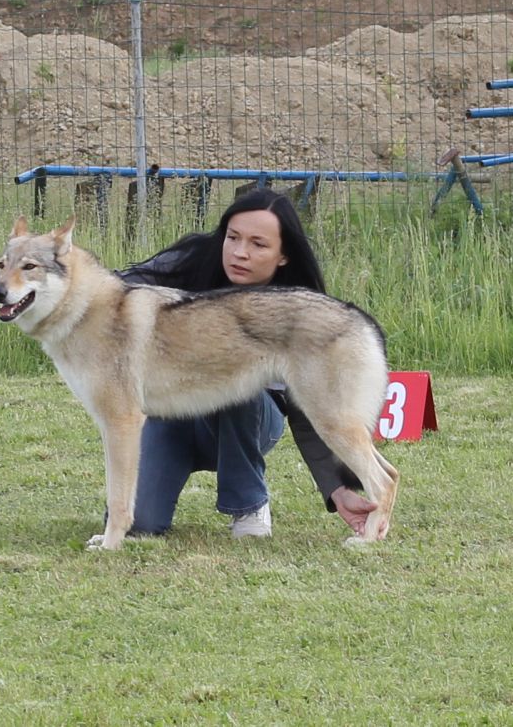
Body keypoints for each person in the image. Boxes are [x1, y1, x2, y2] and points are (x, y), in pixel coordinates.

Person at [116, 188, 377, 538]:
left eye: (258, 244)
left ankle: (249, 504)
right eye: (233, 237)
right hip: (171, 419)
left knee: (236, 378)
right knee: (139, 525)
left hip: (249, 422)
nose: (240, 253)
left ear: (283, 255)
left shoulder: (300, 310)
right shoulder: (191, 260)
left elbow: (309, 406)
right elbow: (114, 289)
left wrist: (337, 488)